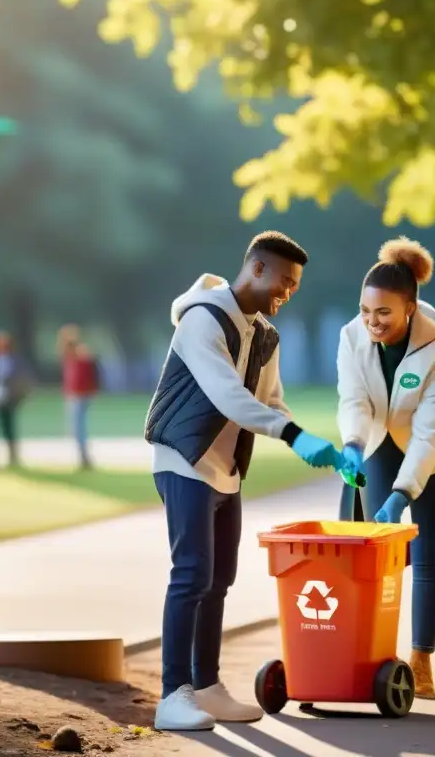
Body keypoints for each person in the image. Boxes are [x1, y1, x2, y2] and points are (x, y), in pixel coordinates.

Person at [145, 230, 345, 732]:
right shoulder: (201, 320)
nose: (288, 292)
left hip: (225, 469)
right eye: (285, 281)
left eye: (296, 286)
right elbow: (226, 396)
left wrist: (314, 441)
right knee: (190, 575)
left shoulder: (265, 335)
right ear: (255, 268)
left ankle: (206, 686)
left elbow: (270, 401)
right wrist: (293, 435)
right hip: (184, 461)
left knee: (219, 581)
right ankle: (173, 695)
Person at [335, 237, 435, 700]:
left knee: (428, 552)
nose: (372, 322)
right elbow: (353, 399)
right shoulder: (352, 334)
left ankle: (421, 657)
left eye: (384, 314)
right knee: (381, 556)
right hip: (378, 440)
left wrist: (403, 492)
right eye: (366, 311)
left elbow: (431, 432)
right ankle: (377, 653)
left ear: (411, 307)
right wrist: (353, 443)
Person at [0, 331, 32, 466]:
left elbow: (21, 378)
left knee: (10, 426)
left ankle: (13, 455)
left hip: (9, 397)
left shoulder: (14, 359)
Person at [59, 327, 100, 470]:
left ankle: (84, 456)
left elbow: (88, 375)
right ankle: (82, 455)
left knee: (78, 427)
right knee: (76, 428)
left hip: (80, 396)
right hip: (75, 395)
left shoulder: (81, 356)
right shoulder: (70, 359)